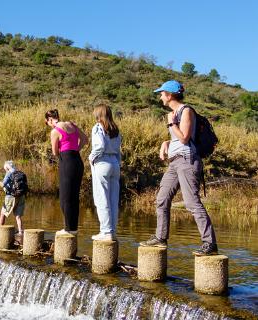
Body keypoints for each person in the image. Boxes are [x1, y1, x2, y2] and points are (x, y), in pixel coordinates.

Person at [140, 80, 218, 256]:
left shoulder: (186, 110)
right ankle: (160, 237)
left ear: (169, 95)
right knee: (162, 198)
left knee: (191, 202)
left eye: (161, 93)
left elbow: (184, 138)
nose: (160, 97)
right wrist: (165, 142)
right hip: (174, 161)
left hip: (187, 160)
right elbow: (178, 139)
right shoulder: (175, 113)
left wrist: (170, 124)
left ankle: (209, 243)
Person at [45, 109, 88, 236]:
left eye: (47, 123)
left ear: (50, 120)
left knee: (65, 197)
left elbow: (54, 152)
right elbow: (85, 139)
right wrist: (76, 150)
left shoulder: (55, 131)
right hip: (77, 161)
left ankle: (68, 229)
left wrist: (63, 153)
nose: (49, 125)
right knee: (74, 196)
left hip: (66, 161)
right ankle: (73, 228)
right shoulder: (72, 125)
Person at [88, 104, 122, 241]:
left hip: (102, 163)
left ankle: (106, 231)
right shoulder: (115, 129)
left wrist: (91, 157)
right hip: (114, 163)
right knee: (113, 200)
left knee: (102, 198)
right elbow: (118, 150)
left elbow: (100, 146)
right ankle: (112, 231)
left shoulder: (98, 127)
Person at [0, 161, 27, 238]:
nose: (5, 171)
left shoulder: (9, 173)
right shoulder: (19, 173)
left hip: (10, 196)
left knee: (3, 213)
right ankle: (21, 232)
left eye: (5, 169)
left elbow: (3, 185)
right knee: (18, 216)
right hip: (21, 196)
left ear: (7, 168)